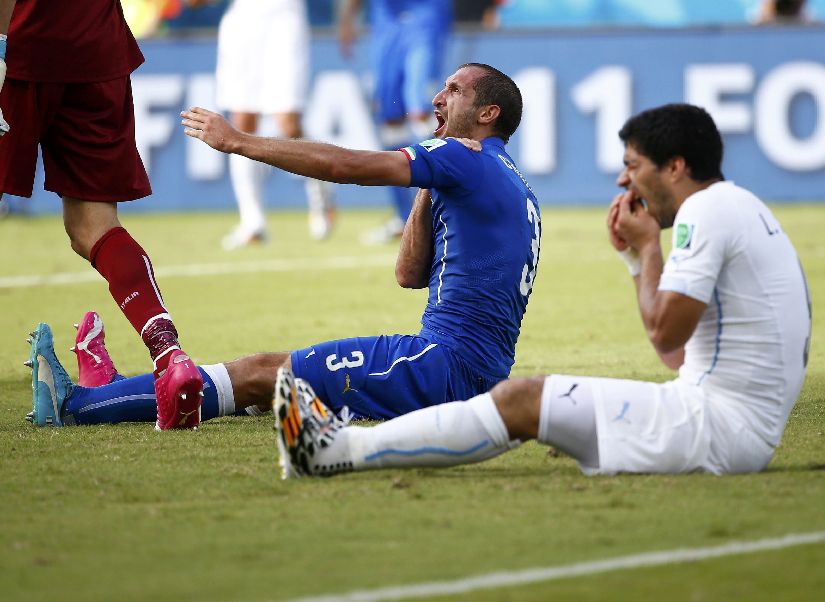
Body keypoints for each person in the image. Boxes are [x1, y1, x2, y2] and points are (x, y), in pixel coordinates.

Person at [274, 103, 812, 479]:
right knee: (526, 402)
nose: (626, 184)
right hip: (729, 425)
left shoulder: (704, 210)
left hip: (713, 428)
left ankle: (336, 451)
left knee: (521, 399)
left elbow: (664, 329)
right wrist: (633, 256)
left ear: (675, 167)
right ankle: (335, 448)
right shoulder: (742, 206)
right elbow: (673, 353)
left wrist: (650, 250)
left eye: (633, 167)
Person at [27, 63, 543, 432]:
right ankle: (115, 391)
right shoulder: (512, 184)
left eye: (453, 90)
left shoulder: (463, 158)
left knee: (257, 375)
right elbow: (409, 273)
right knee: (270, 382)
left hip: (440, 368)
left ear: (486, 113)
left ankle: (78, 405)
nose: (437, 98)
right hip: (469, 373)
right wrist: (431, 181)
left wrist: (240, 142)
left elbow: (345, 166)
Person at [1, 0, 203, 430]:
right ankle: (168, 352)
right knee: (93, 225)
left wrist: (1, 46)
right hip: (95, 49)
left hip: (21, 46)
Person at [198, 0, 336, 248]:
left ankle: (321, 196)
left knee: (288, 122)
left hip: (284, 16)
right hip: (242, 20)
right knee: (242, 123)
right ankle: (252, 222)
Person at [339, 0, 453, 244]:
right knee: (390, 119)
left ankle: (443, 214)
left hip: (425, 13)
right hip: (386, 19)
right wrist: (347, 18)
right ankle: (406, 218)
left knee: (420, 108)